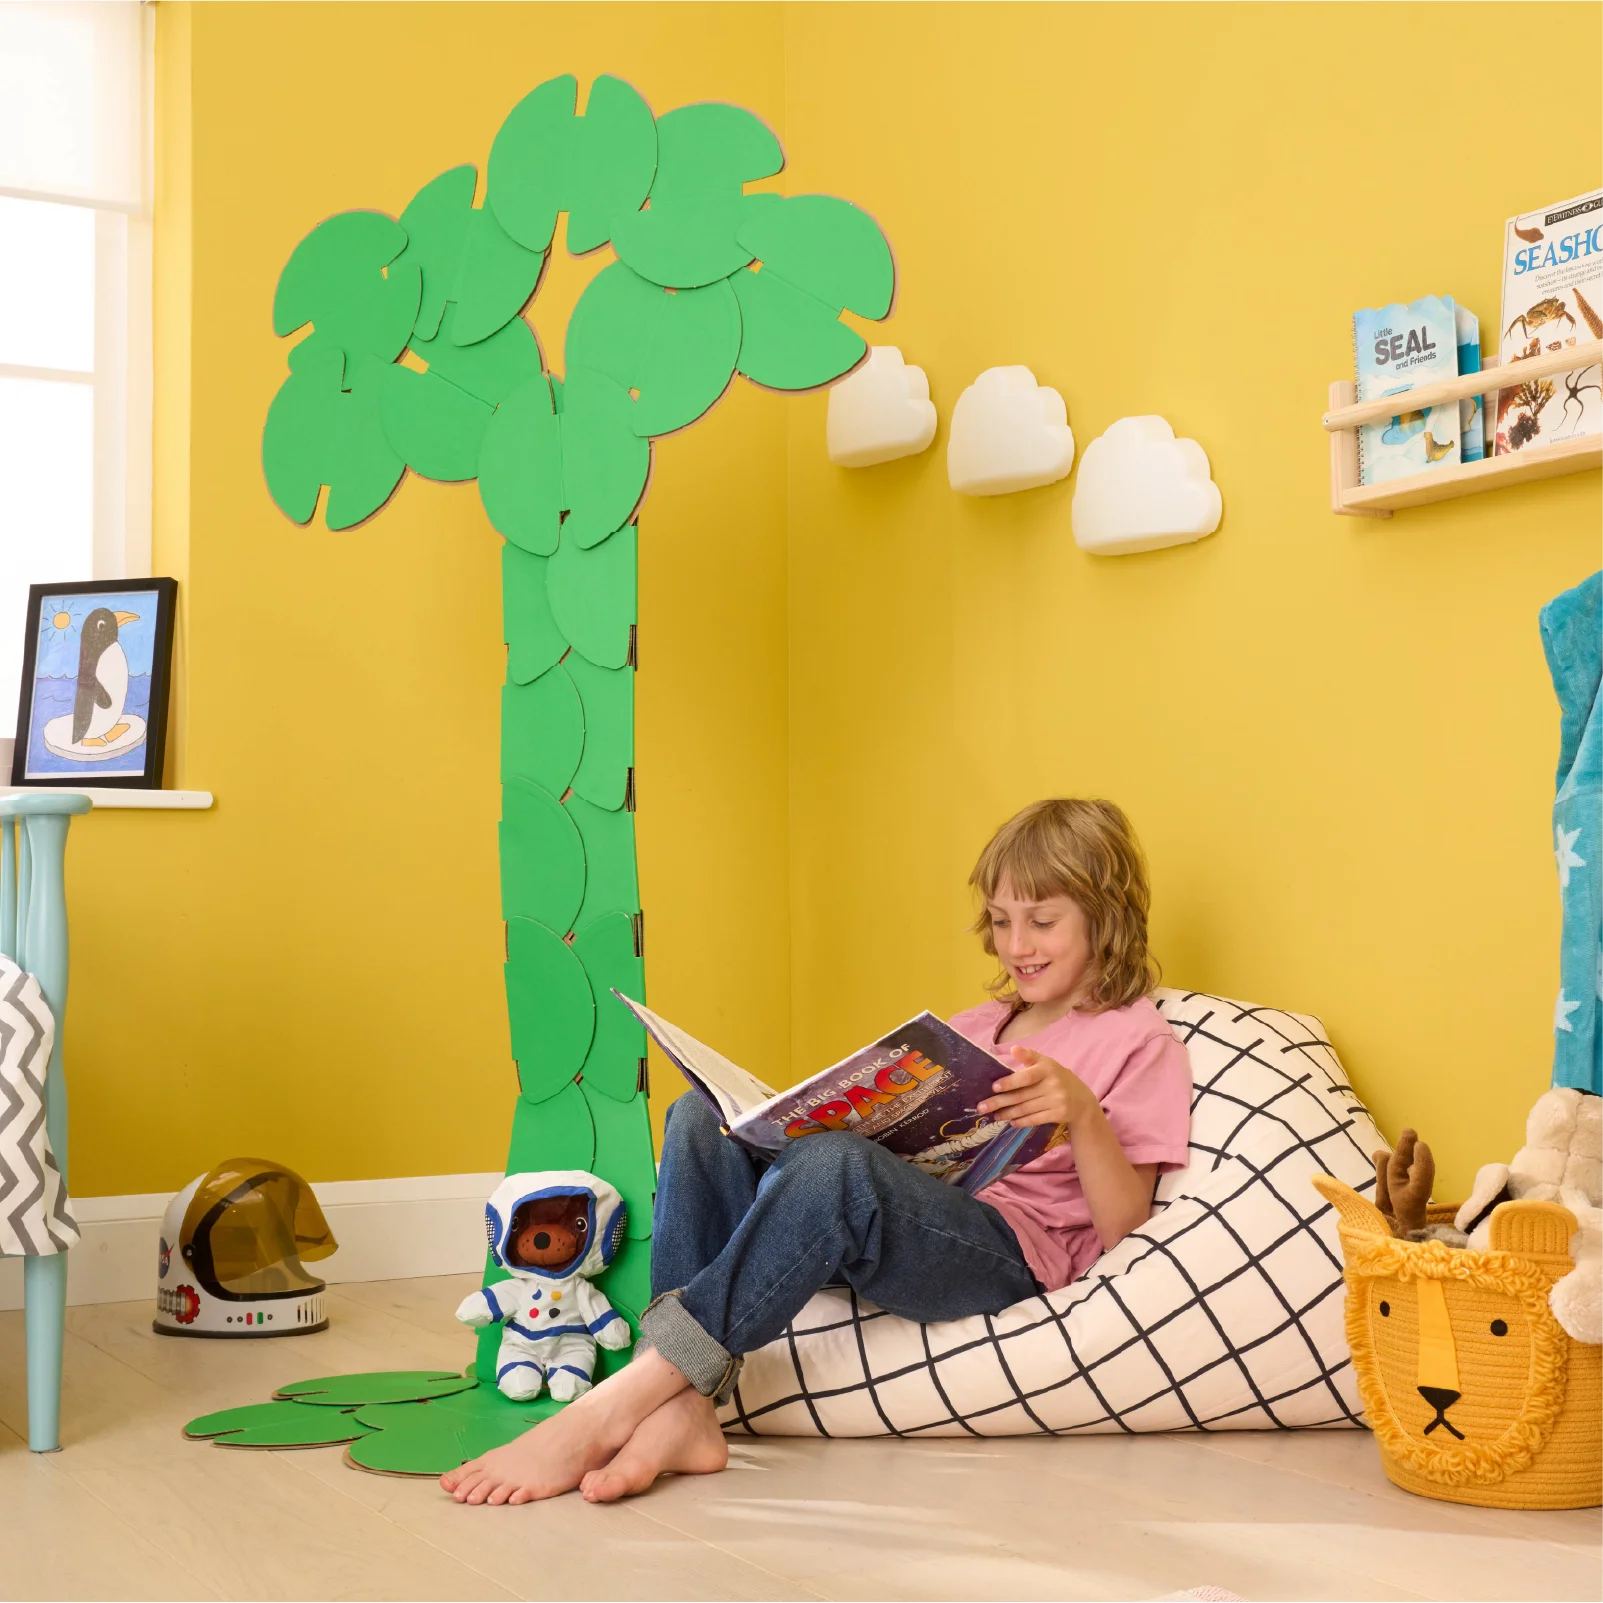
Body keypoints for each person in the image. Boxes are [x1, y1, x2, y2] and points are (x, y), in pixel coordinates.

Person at [441, 797, 1193, 1506]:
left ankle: (636, 1391)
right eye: (999, 921)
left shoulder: (1137, 1039)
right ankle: (687, 1410)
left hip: (1008, 1255)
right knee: (700, 1118)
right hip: (919, 1210)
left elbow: (1127, 1231)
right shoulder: (981, 1020)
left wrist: (1084, 1115)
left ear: (1105, 915)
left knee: (836, 1168)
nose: (1016, 944)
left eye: (1042, 920)